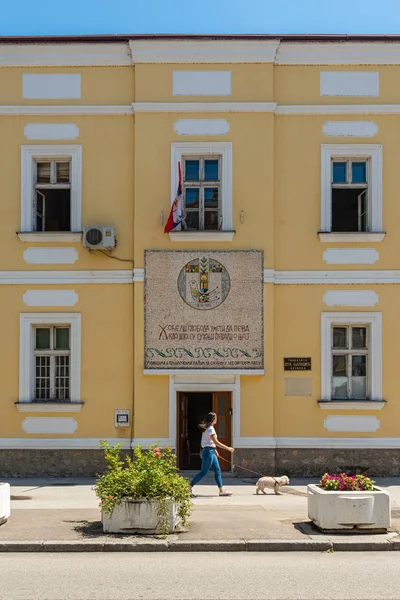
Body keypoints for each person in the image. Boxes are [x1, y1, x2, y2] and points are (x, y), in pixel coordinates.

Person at [190, 412, 234, 497]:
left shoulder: (208, 428)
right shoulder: (210, 429)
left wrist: (215, 450)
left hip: (210, 451)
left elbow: (208, 442)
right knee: (204, 472)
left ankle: (221, 491)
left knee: (217, 471)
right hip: (208, 452)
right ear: (213, 419)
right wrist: (228, 448)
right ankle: (188, 488)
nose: (216, 419)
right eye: (216, 418)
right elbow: (216, 442)